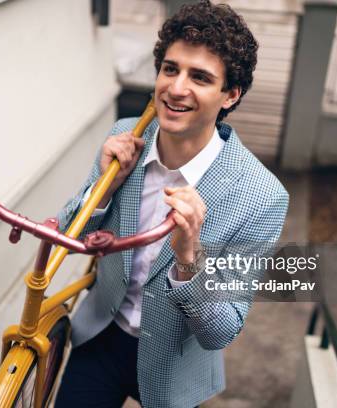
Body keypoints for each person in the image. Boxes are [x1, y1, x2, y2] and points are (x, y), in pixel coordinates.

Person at [55, 1, 288, 407]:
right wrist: (105, 190)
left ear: (230, 95)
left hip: (175, 368)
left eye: (199, 77)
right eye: (170, 69)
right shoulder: (126, 135)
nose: (176, 88)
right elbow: (68, 235)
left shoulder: (262, 197)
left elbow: (221, 331)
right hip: (100, 336)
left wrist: (188, 258)